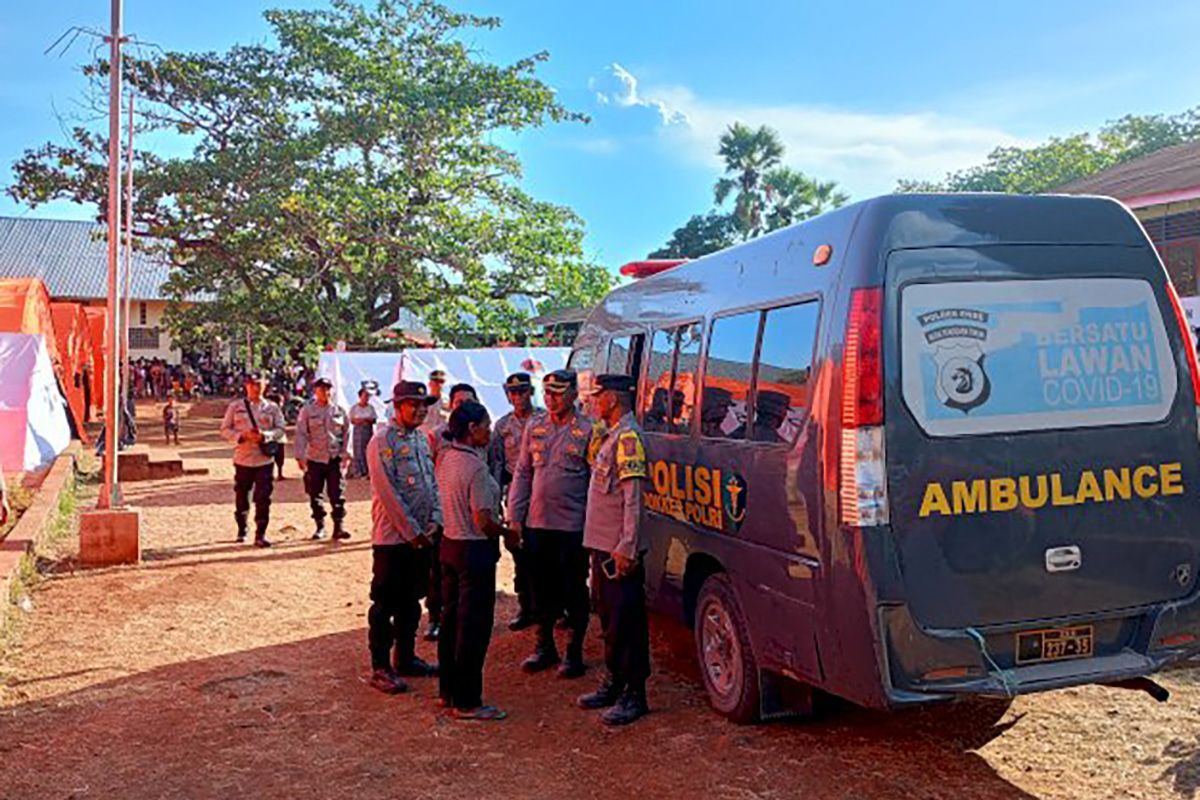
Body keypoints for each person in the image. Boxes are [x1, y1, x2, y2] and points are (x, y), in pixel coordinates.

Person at [508, 369, 595, 679]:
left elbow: (596, 482)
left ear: (573, 394)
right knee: (540, 587)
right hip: (538, 523)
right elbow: (522, 473)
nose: (552, 399)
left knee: (574, 588)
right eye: (547, 393)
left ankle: (574, 650)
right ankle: (544, 645)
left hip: (573, 527)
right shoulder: (536, 426)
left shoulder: (589, 430)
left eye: (558, 393)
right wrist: (515, 517)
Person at [577, 373, 651, 726]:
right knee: (609, 620)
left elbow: (633, 499)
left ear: (612, 399)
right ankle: (614, 682)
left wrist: (627, 547)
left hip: (618, 551)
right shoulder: (608, 436)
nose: (593, 401)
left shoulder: (628, 439)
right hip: (602, 547)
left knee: (627, 624)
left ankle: (634, 694)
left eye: (598, 396)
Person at [435, 400, 514, 720]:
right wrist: (507, 532)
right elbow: (482, 519)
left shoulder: (446, 459)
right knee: (474, 627)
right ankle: (467, 700)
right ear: (472, 429)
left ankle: (448, 690)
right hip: (474, 549)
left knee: (451, 622)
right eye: (485, 425)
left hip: (450, 543)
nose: (489, 431)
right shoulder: (476, 468)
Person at [365, 380, 443, 694]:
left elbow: (433, 483)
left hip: (422, 537)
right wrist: (412, 532)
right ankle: (380, 667)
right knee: (385, 603)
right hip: (393, 540)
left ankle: (406, 657)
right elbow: (388, 494)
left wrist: (436, 520)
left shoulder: (422, 440)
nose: (421, 410)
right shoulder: (382, 441)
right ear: (397, 406)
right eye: (414, 404)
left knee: (412, 600)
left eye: (425, 405)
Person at [422, 382, 478, 642]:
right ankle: (435, 617)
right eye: (458, 402)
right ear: (450, 405)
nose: (463, 406)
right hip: (444, 513)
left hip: (475, 515)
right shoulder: (436, 436)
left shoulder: (482, 433)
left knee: (472, 571)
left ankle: (467, 619)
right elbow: (427, 474)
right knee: (438, 569)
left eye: (468, 401)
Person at [487, 372, 539, 631]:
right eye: (513, 392)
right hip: (516, 495)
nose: (518, 396)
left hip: (544, 493)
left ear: (531, 392)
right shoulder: (502, 425)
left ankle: (556, 606)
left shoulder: (544, 419)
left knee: (549, 549)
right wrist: (497, 499)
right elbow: (496, 464)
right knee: (519, 550)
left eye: (523, 391)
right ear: (508, 396)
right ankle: (527, 606)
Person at [219, 373, 286, 547]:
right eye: (252, 384)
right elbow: (225, 429)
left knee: (263, 498)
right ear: (246, 386)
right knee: (242, 496)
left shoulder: (272, 408)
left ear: (265, 386)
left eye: (259, 384)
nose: (255, 387)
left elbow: (281, 429)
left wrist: (266, 436)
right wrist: (241, 435)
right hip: (243, 459)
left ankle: (260, 533)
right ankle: (242, 528)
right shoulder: (236, 407)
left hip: (264, 460)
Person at [294, 377, 352, 541]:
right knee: (315, 494)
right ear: (315, 392)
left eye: (328, 389)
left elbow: (348, 433)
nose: (325, 392)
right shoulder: (308, 411)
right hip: (315, 459)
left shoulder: (339, 411)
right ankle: (320, 527)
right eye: (321, 389)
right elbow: (301, 434)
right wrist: (300, 456)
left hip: (334, 459)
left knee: (337, 494)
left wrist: (347, 454)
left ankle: (338, 527)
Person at [349, 387, 378, 478]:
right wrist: (361, 420)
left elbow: (374, 419)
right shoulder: (354, 408)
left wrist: (366, 420)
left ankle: (367, 471)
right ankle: (359, 471)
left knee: (367, 450)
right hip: (358, 431)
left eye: (367, 396)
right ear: (360, 396)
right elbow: (352, 419)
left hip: (367, 431)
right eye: (364, 396)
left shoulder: (371, 408)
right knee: (358, 450)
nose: (366, 398)